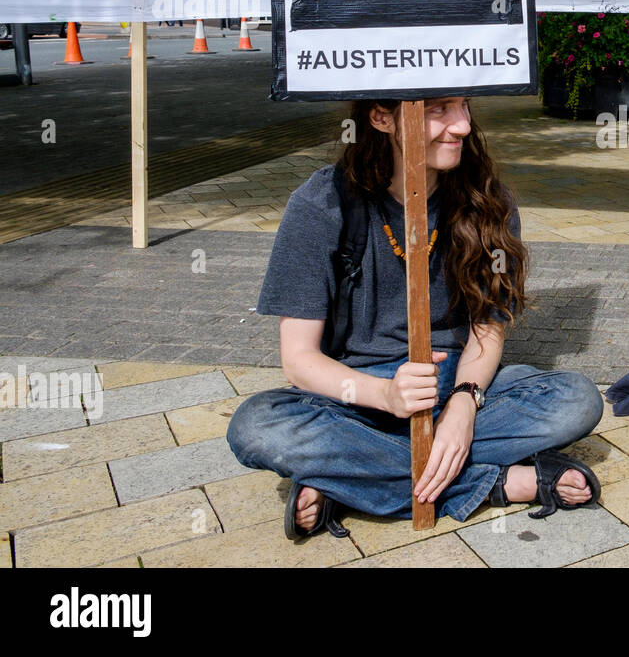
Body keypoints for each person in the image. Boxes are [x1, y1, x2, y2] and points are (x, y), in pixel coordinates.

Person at [226, 96, 604, 537]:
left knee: (576, 399)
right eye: (439, 110)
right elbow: (299, 360)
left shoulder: (488, 200)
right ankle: (495, 483)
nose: (462, 126)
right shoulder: (321, 203)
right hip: (355, 398)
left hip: (459, 384)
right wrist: (387, 396)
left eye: (463, 106)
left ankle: (350, 477)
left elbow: (488, 328)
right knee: (256, 426)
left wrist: (464, 404)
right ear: (383, 117)